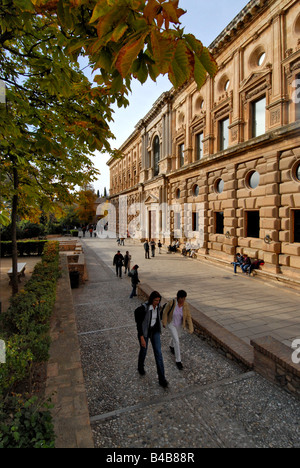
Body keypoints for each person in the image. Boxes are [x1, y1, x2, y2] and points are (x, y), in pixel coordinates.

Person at [135, 291, 168, 388]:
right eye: (155, 300)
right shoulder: (144, 308)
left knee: (158, 353)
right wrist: (141, 337)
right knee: (144, 350)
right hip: (145, 332)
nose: (157, 302)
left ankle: (162, 379)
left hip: (155, 331)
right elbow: (138, 323)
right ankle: (140, 367)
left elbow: (157, 318)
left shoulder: (157, 306)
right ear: (151, 300)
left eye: (158, 300)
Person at [162, 290, 194, 370]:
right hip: (171, 324)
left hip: (179, 325)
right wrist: (164, 322)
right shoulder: (172, 303)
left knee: (176, 338)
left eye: (184, 298)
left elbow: (188, 316)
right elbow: (165, 312)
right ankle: (178, 360)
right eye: (182, 298)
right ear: (178, 297)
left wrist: (191, 327)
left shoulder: (185, 305)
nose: (183, 300)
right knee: (177, 341)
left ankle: (171, 345)